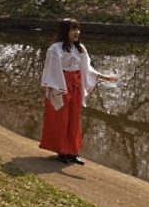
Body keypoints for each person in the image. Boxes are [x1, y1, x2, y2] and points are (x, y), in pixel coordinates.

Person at [39, 18, 117, 165]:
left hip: (76, 85)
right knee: (61, 119)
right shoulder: (55, 49)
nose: (76, 32)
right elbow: (51, 71)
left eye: (77, 29)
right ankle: (62, 151)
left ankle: (73, 152)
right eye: (73, 29)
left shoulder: (80, 48)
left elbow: (87, 69)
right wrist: (54, 89)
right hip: (61, 85)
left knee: (74, 119)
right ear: (65, 31)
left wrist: (104, 77)